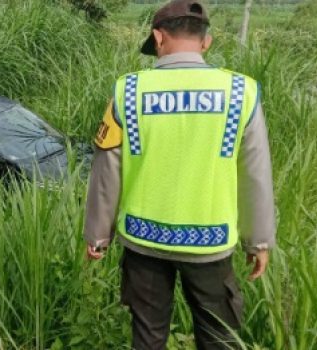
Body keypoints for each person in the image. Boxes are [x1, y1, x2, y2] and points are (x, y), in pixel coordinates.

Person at [83, 0, 276, 349]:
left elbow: (106, 170)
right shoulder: (241, 93)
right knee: (219, 336)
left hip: (143, 241)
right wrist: (258, 240)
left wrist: (98, 235)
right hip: (210, 242)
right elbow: (255, 175)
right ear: (206, 42)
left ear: (158, 38)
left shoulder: (127, 91)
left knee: (148, 334)